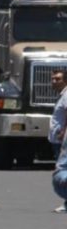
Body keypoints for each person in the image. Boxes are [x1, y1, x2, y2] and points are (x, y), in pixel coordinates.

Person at [47, 69, 67, 212]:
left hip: (63, 140)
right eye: (53, 79)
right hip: (59, 140)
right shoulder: (62, 95)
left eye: (57, 79)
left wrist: (63, 131)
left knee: (62, 173)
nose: (54, 81)